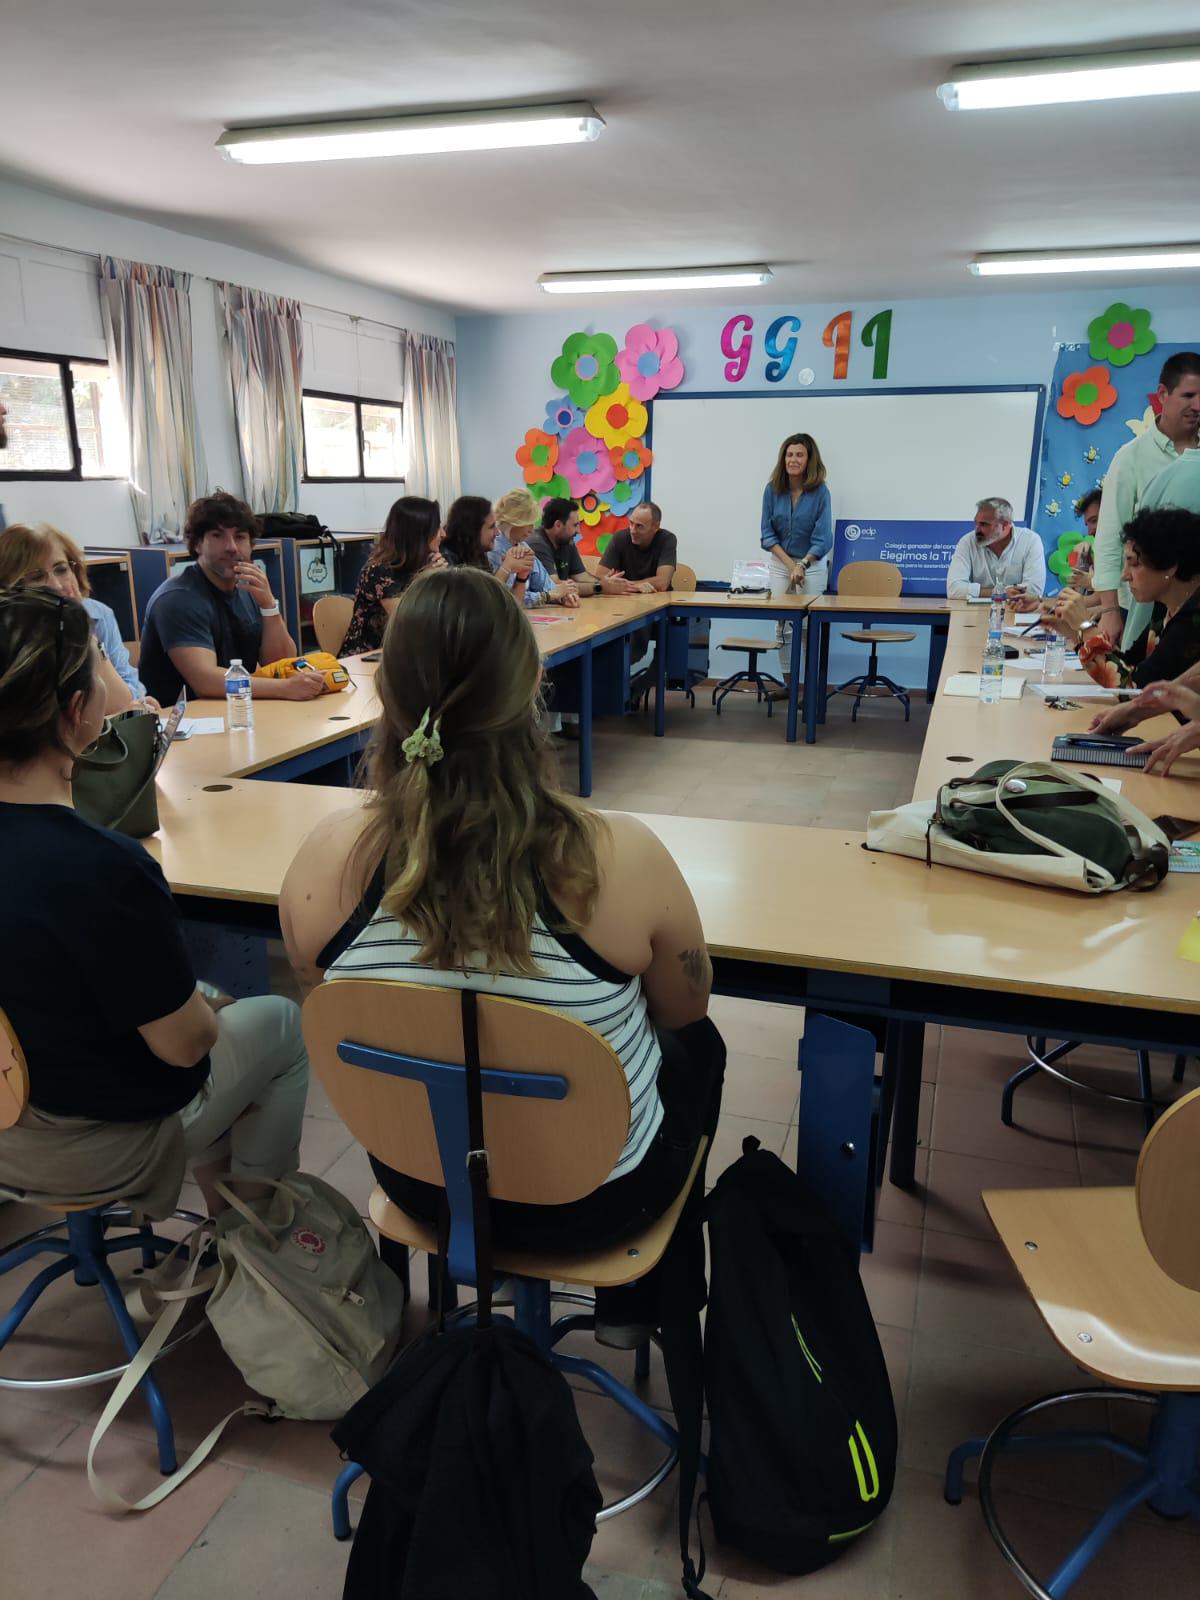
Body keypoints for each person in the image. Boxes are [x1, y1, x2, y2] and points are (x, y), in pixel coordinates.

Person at [280, 566, 724, 1326]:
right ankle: (643, 1308)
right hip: (596, 1203)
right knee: (699, 1051)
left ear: (387, 691)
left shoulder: (327, 857)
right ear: (531, 689)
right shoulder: (617, 854)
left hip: (424, 1185)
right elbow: (685, 1008)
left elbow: (323, 994)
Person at [0, 587, 309, 1219]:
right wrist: (204, 1012)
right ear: (78, 711)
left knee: (203, 1008)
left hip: (10, 1130)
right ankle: (252, 1240)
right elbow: (186, 1047)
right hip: (96, 1144)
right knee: (278, 1026)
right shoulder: (103, 866)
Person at [138, 491, 325, 705]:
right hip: (186, 719)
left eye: (240, 537)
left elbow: (280, 663)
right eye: (218, 536)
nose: (231, 547)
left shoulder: (249, 589)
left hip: (236, 708)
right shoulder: (177, 599)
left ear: (251, 544)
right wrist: (285, 688)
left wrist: (269, 605)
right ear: (197, 544)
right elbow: (206, 681)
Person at [1093, 352, 1200, 650]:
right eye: (1189, 395)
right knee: (1137, 674)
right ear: (1163, 394)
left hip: (1194, 610)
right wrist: (1110, 611)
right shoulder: (1131, 458)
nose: (1198, 406)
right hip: (1141, 608)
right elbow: (1109, 538)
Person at [1046, 508, 1200, 695]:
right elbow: (1130, 664)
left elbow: (1134, 689)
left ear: (1169, 566)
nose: (1124, 575)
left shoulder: (1193, 619)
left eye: (1134, 563)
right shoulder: (1164, 608)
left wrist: (1085, 627)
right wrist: (1074, 631)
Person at [0, 523, 148, 712]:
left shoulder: (98, 615)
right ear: (11, 589)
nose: (56, 585)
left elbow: (126, 697)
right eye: (36, 577)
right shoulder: (10, 637)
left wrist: (83, 630)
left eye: (61, 570)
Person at [340, 496, 444, 657]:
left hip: (405, 653)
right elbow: (408, 621)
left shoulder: (424, 563)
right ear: (419, 533)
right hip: (369, 657)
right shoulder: (378, 570)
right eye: (437, 528)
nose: (443, 534)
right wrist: (427, 579)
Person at [945, 498, 1046, 601]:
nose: (977, 530)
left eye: (984, 524)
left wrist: (978, 592)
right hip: (975, 610)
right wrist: (1000, 593)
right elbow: (953, 589)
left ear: (1005, 525)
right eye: (976, 523)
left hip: (1016, 609)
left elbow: (1033, 591)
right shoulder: (967, 541)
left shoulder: (1030, 540)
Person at [493, 488, 579, 608]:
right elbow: (507, 599)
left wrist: (563, 596)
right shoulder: (495, 550)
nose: (532, 530)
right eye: (528, 523)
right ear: (515, 522)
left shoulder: (522, 546)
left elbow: (546, 585)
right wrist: (549, 596)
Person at [526, 498, 610, 598]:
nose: (578, 531)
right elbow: (555, 586)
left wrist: (607, 583)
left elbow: (581, 576)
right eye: (575, 525)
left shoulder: (566, 540)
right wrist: (600, 587)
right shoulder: (537, 544)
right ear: (558, 525)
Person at [597, 502, 677, 594]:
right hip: (627, 598)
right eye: (631, 523)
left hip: (658, 598)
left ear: (656, 526)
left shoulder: (667, 539)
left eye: (639, 526)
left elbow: (662, 583)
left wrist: (623, 586)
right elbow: (598, 580)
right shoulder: (620, 538)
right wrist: (635, 586)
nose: (633, 530)